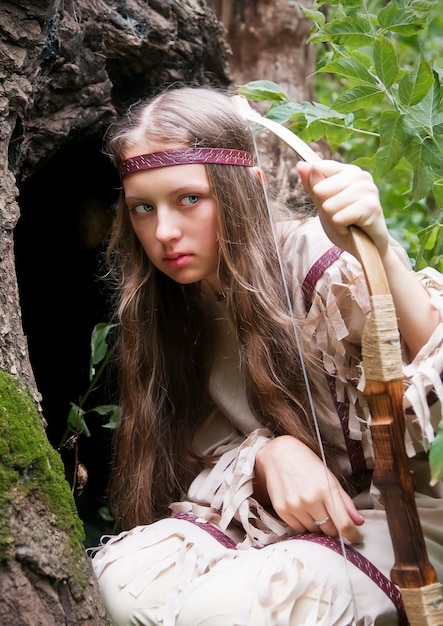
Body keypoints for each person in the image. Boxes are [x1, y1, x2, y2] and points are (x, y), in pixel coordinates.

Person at [90, 85, 443, 626]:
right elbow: (194, 451)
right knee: (126, 584)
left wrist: (374, 249)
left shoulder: (315, 262)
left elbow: (428, 366)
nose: (163, 232)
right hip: (271, 521)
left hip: (400, 520)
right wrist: (264, 455)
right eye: (143, 208)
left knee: (228, 609)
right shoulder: (170, 304)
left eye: (189, 199)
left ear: (245, 191)